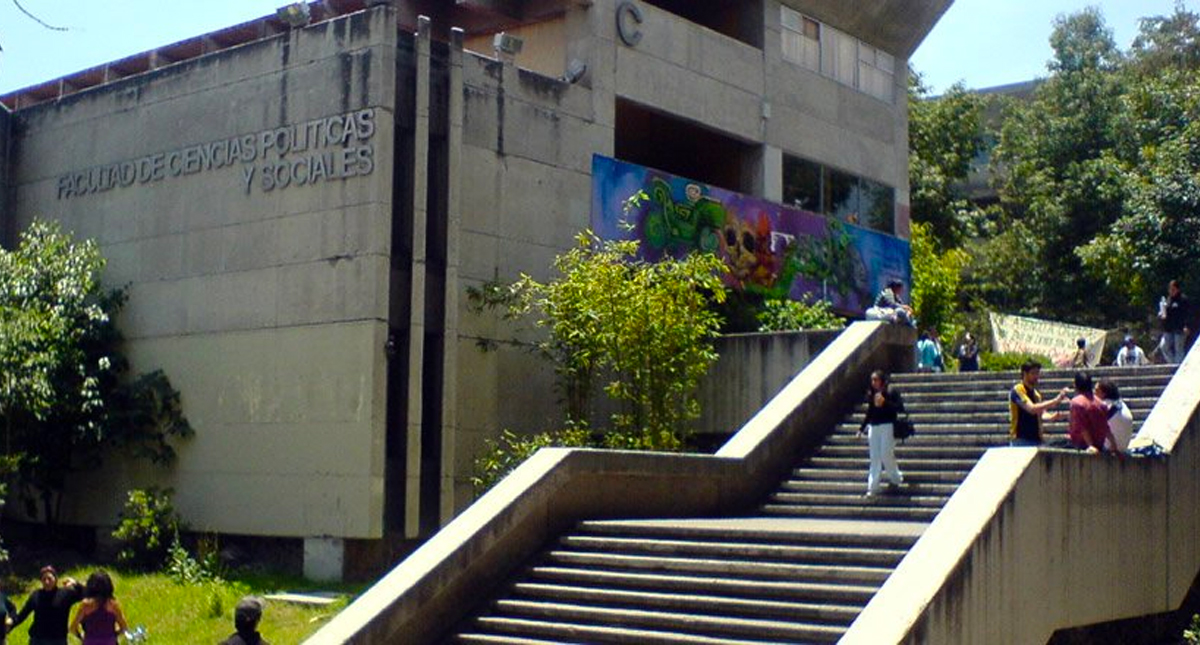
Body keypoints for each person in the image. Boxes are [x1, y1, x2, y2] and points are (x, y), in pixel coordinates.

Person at [857, 370, 904, 496]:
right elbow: (870, 412)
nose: (873, 383)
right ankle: (873, 487)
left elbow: (899, 407)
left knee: (885, 454)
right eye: (872, 380)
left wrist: (885, 402)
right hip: (874, 426)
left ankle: (896, 477)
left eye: (876, 380)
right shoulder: (872, 393)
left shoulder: (891, 391)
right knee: (874, 457)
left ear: (882, 380)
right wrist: (861, 429)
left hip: (887, 425)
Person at [12, 565, 84, 645]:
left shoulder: (65, 594)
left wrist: (76, 584)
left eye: (49, 579)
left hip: (58, 640)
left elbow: (86, 594)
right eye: (44, 579)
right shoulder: (36, 595)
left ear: (56, 579)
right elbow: (22, 615)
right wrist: (8, 627)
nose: (47, 582)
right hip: (37, 640)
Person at [1009, 360, 1069, 447]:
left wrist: (1053, 416)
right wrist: (1055, 400)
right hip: (1021, 440)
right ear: (1025, 374)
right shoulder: (1018, 390)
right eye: (1033, 373)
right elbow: (1032, 409)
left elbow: (1041, 415)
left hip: (1036, 439)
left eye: (1037, 373)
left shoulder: (1036, 394)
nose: (1036, 376)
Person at [69, 571, 128, 645]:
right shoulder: (113, 605)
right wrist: (114, 635)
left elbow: (73, 628)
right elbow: (124, 627)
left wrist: (80, 637)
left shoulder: (86, 605)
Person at [1063, 372, 1114, 454]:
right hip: (1099, 445)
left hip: (1080, 445)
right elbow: (1105, 426)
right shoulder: (1101, 404)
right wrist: (1113, 444)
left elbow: (1082, 427)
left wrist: (1090, 445)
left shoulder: (1077, 403)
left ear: (1076, 386)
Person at [1095, 379, 1133, 454]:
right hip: (1123, 448)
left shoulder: (1104, 405)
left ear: (1103, 393)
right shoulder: (1122, 404)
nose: (1094, 393)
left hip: (1109, 448)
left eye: (1096, 391)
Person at [1158, 280, 1191, 363]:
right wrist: (1161, 314)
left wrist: (1186, 325)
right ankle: (1172, 363)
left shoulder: (1183, 299)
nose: (1171, 291)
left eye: (1173, 289)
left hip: (1180, 328)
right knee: (1164, 346)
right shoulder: (1168, 300)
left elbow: (1188, 313)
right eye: (1170, 289)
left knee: (1178, 348)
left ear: (1177, 289)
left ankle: (1178, 365)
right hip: (1169, 328)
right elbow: (1166, 313)